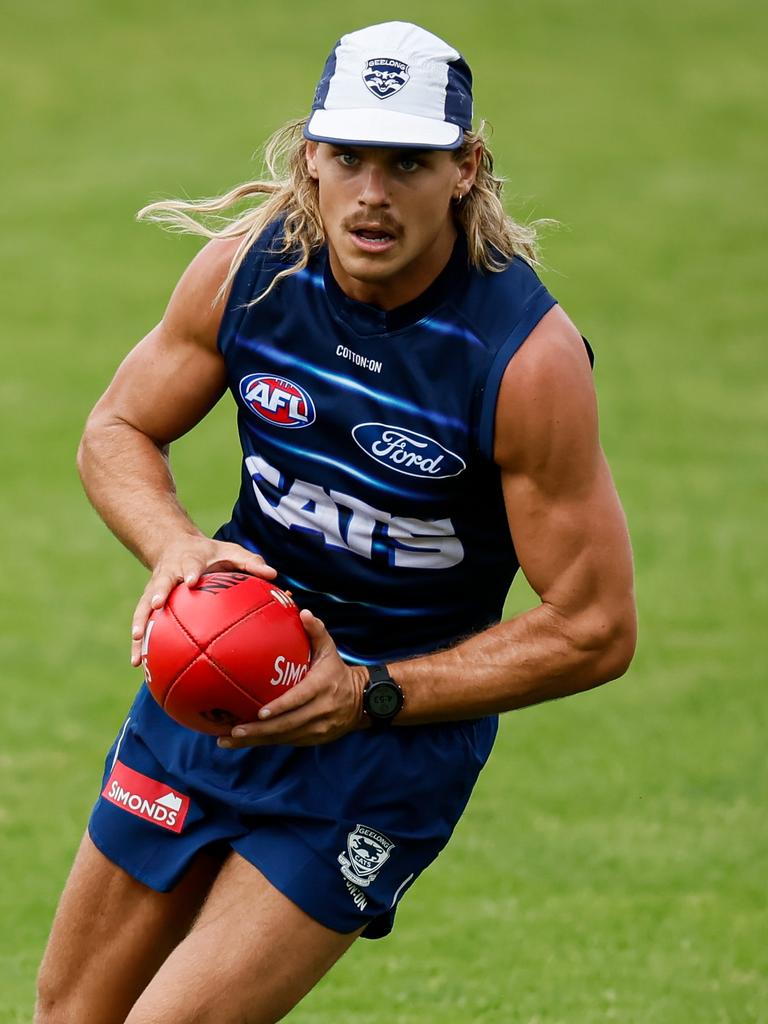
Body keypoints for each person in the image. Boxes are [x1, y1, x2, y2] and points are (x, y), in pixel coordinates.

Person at [35, 20, 636, 1024]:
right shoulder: (248, 275)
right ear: (308, 154)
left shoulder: (522, 358)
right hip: (211, 686)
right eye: (348, 154)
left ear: (465, 170)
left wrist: (368, 693)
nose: (371, 192)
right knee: (72, 1014)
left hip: (387, 747)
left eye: (408, 162)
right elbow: (118, 427)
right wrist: (176, 546)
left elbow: (596, 626)